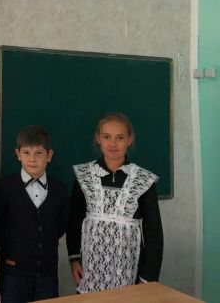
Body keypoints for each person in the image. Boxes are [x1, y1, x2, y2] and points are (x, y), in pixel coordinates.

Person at [66, 112, 163, 293]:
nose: (113, 144)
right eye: (107, 137)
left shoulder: (143, 180)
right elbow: (74, 220)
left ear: (129, 140)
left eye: (120, 138)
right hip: (90, 267)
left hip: (129, 268)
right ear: (98, 138)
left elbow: (153, 232)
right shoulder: (84, 175)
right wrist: (74, 258)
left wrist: (148, 277)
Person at [0, 125, 69, 302]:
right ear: (18, 154)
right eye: (26, 153)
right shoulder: (4, 187)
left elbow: (61, 226)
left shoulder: (60, 190)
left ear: (49, 155)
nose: (32, 159)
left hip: (47, 274)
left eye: (39, 153)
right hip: (13, 274)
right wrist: (12, 254)